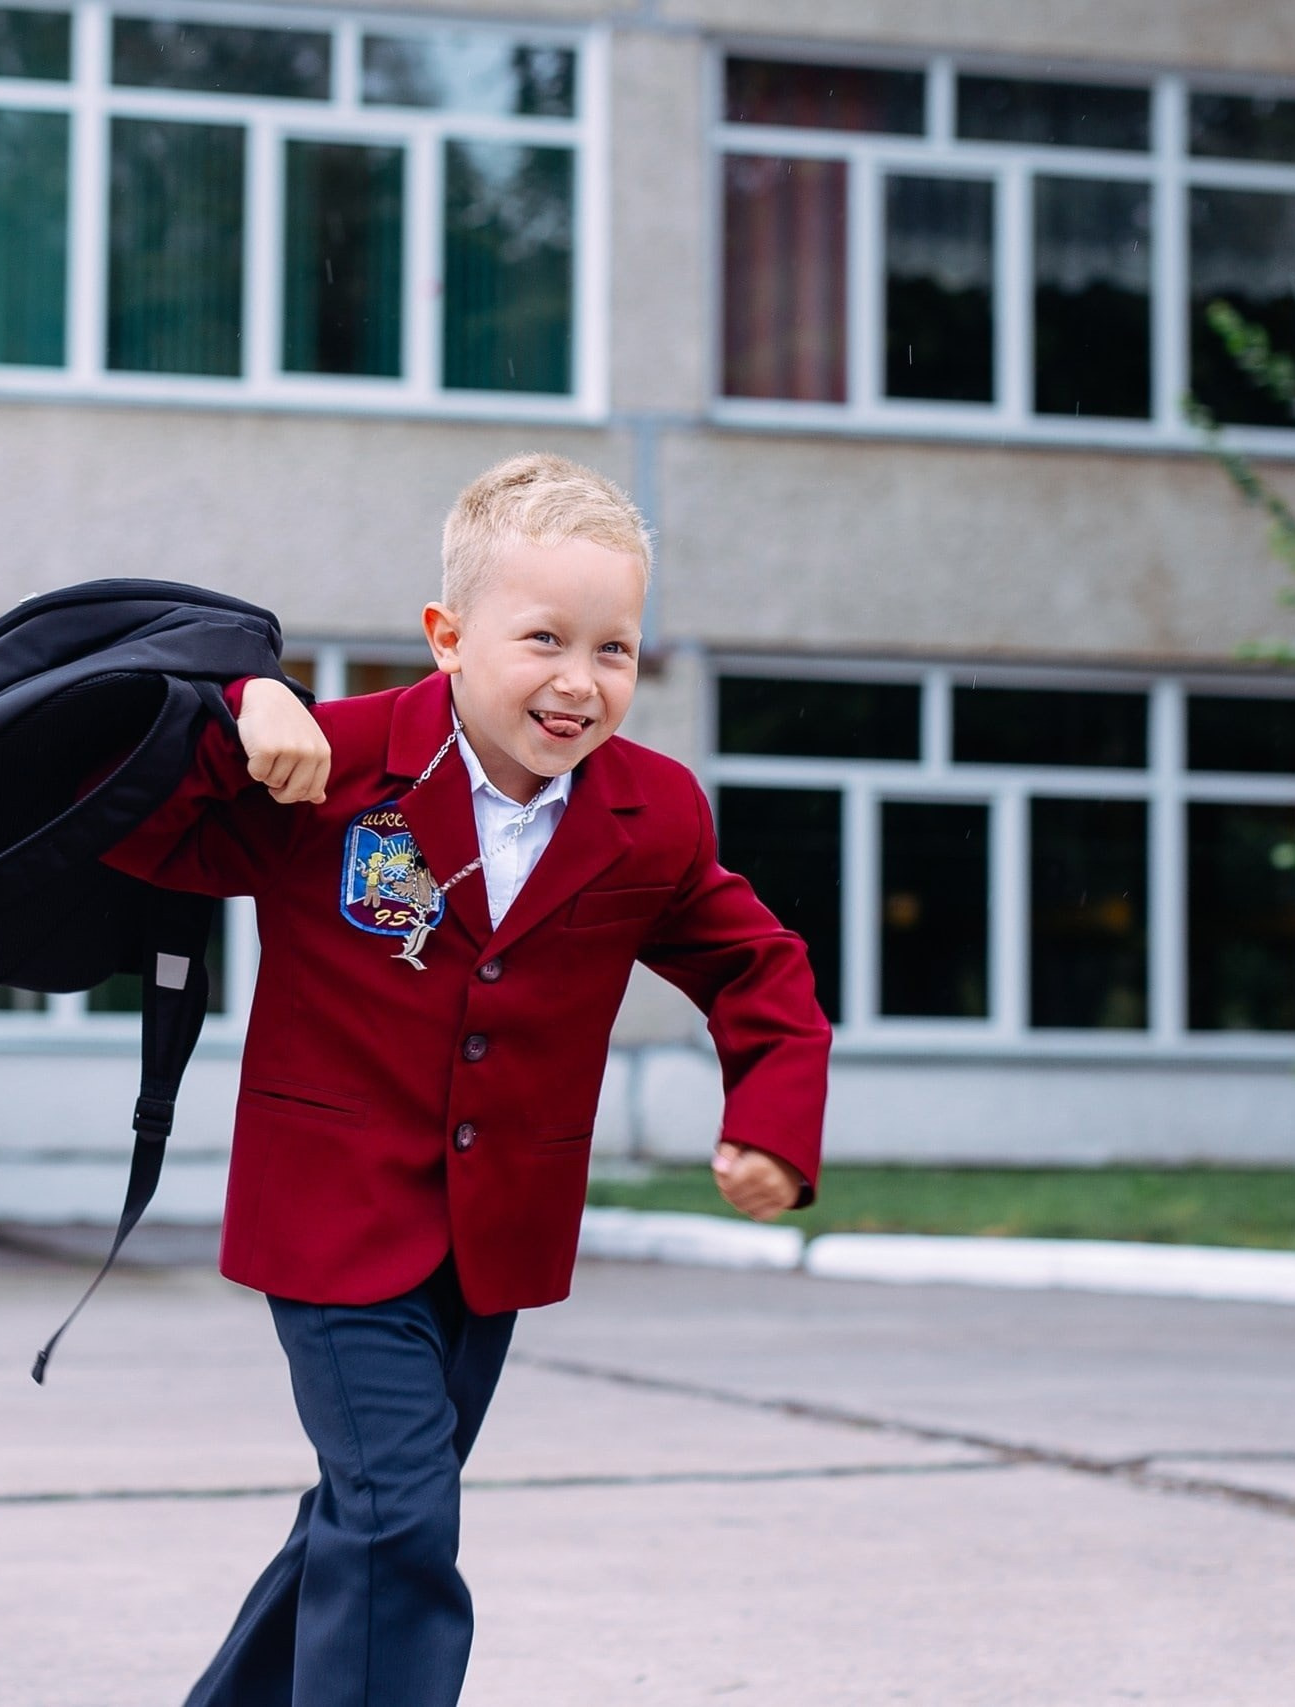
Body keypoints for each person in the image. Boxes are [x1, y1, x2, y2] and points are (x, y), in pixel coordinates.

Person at [102, 452, 831, 1707]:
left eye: (615, 649)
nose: (580, 680)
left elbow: (758, 967)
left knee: (372, 1513)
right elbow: (127, 812)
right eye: (544, 637)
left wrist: (769, 1123)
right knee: (398, 1523)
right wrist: (234, 703)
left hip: (495, 1235)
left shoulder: (650, 816)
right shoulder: (329, 764)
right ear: (446, 636)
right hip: (329, 1218)